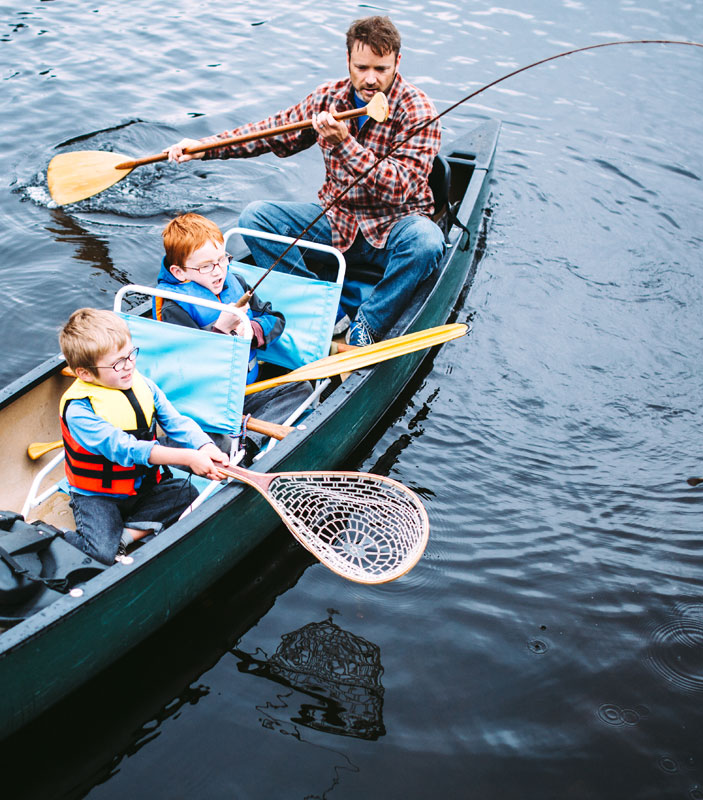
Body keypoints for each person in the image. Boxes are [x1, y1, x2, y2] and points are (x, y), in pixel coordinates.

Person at [166, 15, 445, 347]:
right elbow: (273, 132)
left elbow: (400, 188)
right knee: (256, 217)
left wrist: (345, 144)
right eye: (362, 67)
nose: (370, 79)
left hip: (395, 227)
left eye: (381, 70)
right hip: (336, 220)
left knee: (427, 241)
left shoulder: (417, 109)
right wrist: (204, 148)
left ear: (397, 63)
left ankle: (368, 324)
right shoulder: (328, 97)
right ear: (348, 61)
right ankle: (322, 311)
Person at [58, 308, 229, 566]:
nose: (128, 366)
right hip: (98, 495)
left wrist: (204, 445)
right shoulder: (79, 410)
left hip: (141, 486)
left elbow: (175, 421)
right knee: (101, 555)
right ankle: (53, 536)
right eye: (117, 363)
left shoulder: (142, 383)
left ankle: (124, 538)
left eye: (130, 354)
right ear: (85, 373)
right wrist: (186, 457)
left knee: (188, 493)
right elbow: (126, 449)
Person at [155, 213, 313, 450]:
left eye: (222, 259)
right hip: (205, 403)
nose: (218, 271)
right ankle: (232, 444)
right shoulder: (173, 306)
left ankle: (248, 442)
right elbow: (187, 364)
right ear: (179, 272)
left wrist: (253, 329)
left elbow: (275, 318)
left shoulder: (235, 281)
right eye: (206, 266)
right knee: (214, 439)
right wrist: (221, 329)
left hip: (246, 391)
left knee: (302, 388)